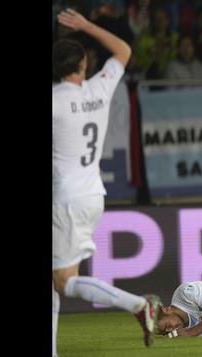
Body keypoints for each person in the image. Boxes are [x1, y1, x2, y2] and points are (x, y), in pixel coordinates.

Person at [52, 9, 162, 355]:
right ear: (83, 66)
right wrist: (86, 26)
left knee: (63, 280)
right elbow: (124, 51)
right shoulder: (99, 88)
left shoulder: (55, 101)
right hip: (92, 194)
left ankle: (138, 305)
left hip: (66, 198)